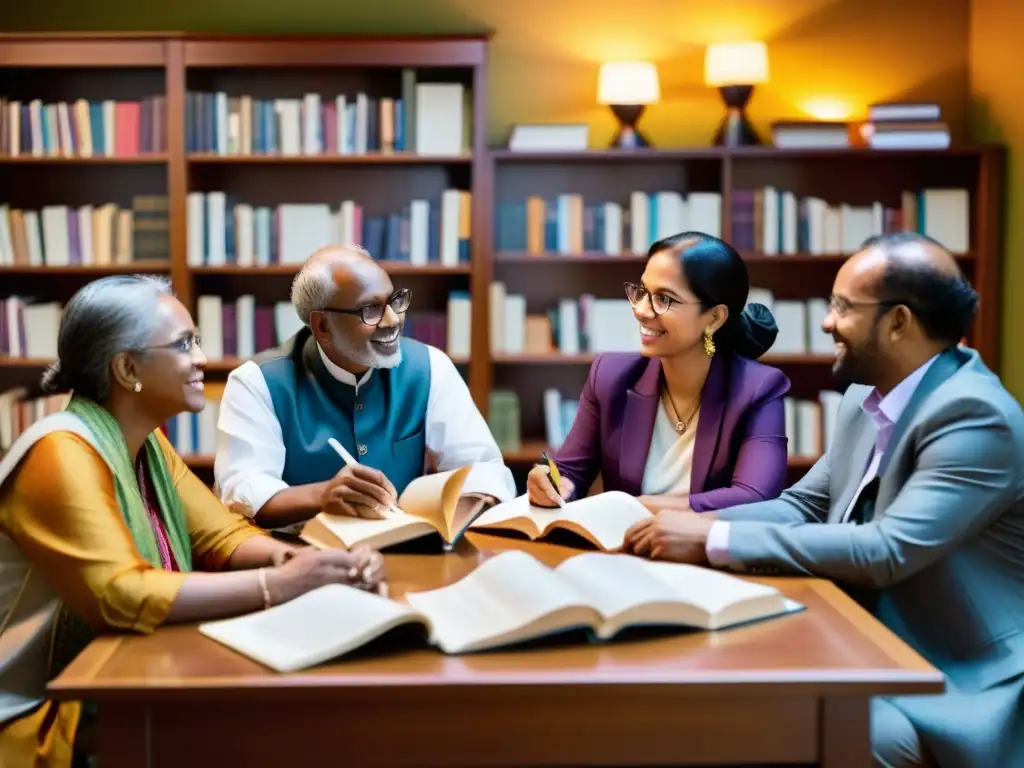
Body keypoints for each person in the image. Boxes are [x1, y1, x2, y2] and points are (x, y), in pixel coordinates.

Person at [623, 232, 1024, 767]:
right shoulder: (866, 396)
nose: (826, 321)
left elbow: (886, 550)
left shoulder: (975, 417)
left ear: (899, 321)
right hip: (857, 636)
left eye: (842, 307)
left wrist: (713, 537)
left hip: (950, 673)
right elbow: (805, 505)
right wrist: (677, 512)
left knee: (785, 726)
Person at [0, 275, 386, 768]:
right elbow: (121, 595)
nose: (202, 358)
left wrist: (319, 563)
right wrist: (283, 583)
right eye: (184, 344)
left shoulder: (148, 445)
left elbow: (221, 535)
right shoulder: (59, 452)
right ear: (126, 367)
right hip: (38, 713)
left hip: (118, 677)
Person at [214, 245, 516, 533]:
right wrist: (322, 496)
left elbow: (484, 468)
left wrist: (444, 527)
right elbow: (242, 489)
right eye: (370, 310)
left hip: (411, 556)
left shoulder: (431, 366)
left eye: (394, 301)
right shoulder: (257, 382)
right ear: (322, 326)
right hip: (302, 558)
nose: (393, 320)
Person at [527, 231, 791, 512]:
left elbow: (755, 497)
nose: (641, 310)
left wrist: (636, 507)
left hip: (708, 552)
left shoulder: (759, 389)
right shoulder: (610, 376)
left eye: (664, 299)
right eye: (642, 292)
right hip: (624, 551)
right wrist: (550, 482)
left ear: (714, 317)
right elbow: (571, 472)